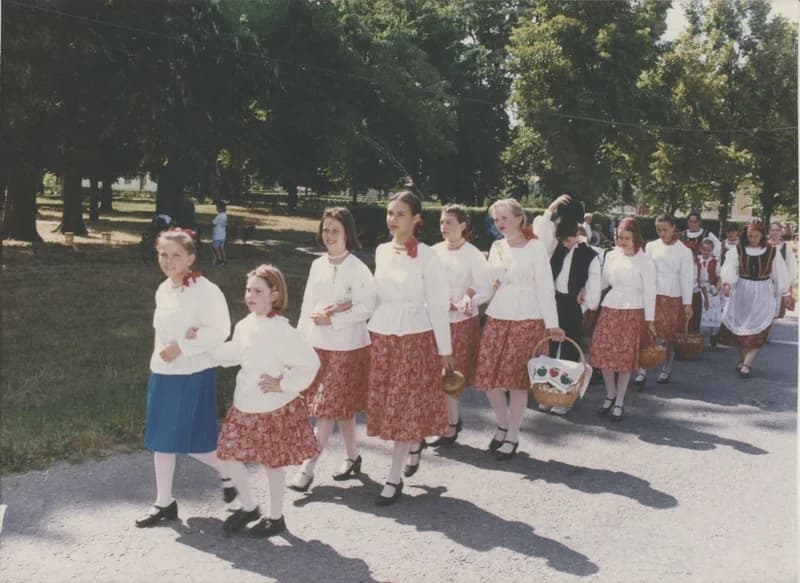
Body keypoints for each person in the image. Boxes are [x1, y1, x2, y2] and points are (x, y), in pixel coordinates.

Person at [213, 264, 321, 537]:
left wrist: (283, 384)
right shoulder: (245, 324)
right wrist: (206, 350)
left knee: (272, 464)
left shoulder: (282, 330)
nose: (250, 295)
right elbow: (235, 352)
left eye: (258, 291)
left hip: (271, 408)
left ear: (274, 294)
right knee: (228, 455)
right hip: (244, 405)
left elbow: (310, 363)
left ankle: (276, 517)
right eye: (248, 289)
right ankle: (249, 506)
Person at [135, 229, 232, 528]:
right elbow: (162, 333)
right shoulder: (163, 289)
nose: (169, 261)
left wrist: (184, 344)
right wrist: (165, 354)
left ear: (190, 257)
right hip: (164, 374)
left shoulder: (205, 290)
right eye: (163, 254)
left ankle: (235, 476)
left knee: (194, 443)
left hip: (192, 373)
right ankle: (164, 502)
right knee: (161, 440)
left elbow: (220, 329)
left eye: (176, 255)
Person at [366, 190, 454, 505]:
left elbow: (439, 306)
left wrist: (445, 350)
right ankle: (414, 442)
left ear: (416, 219)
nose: (393, 220)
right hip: (383, 336)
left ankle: (393, 477)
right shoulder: (380, 251)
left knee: (403, 404)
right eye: (390, 213)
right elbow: (374, 296)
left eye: (400, 214)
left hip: (414, 337)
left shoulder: (429, 256)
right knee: (390, 403)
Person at [289, 208, 376, 492]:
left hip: (347, 347)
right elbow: (306, 306)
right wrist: (299, 345)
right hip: (318, 346)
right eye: (325, 230)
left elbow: (366, 307)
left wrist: (334, 319)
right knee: (342, 409)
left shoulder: (358, 268)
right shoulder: (318, 265)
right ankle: (353, 458)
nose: (329, 235)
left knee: (326, 409)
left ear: (347, 233)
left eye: (335, 230)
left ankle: (307, 467)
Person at [474, 198, 564, 459]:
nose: (499, 223)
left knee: (517, 381)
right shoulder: (497, 246)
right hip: (498, 315)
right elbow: (490, 284)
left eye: (504, 218)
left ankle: (513, 434)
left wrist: (552, 324)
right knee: (488, 376)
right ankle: (502, 423)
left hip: (529, 317)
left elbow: (545, 288)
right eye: (496, 219)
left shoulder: (535, 247)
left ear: (519, 218)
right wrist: (468, 303)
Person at [429, 204, 492, 445]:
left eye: (450, 223)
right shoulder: (433, 251)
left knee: (451, 374)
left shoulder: (472, 254)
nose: (444, 227)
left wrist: (468, 300)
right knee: (435, 373)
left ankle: (451, 425)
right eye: (442, 222)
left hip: (461, 322)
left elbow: (484, 287)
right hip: (436, 320)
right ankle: (447, 421)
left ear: (463, 226)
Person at [590, 218, 657, 422]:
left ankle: (619, 400)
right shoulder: (611, 255)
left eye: (627, 238)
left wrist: (650, 319)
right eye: (620, 238)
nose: (623, 242)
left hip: (633, 310)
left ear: (635, 237)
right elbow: (603, 281)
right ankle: (610, 394)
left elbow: (650, 292)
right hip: (611, 308)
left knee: (624, 359)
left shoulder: (644, 260)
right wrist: (587, 292)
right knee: (604, 354)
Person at [541, 219, 600, 414]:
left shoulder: (589, 254)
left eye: (567, 240)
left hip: (573, 305)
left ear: (576, 235)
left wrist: (585, 304)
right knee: (550, 347)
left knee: (569, 349)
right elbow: (542, 229)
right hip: (554, 302)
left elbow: (594, 282)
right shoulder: (556, 249)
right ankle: (547, 391)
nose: (564, 244)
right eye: (562, 240)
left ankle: (564, 395)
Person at [719, 222, 791, 378]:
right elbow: (729, 266)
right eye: (750, 235)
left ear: (762, 236)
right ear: (746, 235)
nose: (753, 239)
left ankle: (747, 364)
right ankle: (743, 359)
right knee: (742, 328)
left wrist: (785, 293)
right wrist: (727, 283)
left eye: (756, 236)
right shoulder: (737, 250)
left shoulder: (772, 252)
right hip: (742, 292)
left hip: (763, 293)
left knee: (759, 330)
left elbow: (780, 273)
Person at [633, 214, 694, 386]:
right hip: (652, 293)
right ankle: (642, 369)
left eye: (665, 229)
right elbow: (643, 268)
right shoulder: (651, 246)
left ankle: (666, 369)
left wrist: (687, 303)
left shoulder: (684, 251)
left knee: (668, 336)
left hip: (672, 296)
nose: (661, 233)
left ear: (674, 228)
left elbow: (687, 278)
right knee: (647, 332)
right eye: (658, 230)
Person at [768, 221, 798, 318]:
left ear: (781, 232)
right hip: (765, 281)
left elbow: (791, 266)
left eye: (777, 230)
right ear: (769, 231)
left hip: (780, 283)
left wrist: (788, 284)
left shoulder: (785, 247)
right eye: (772, 230)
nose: (774, 232)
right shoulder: (764, 245)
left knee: (777, 312)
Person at [698, 239, 722, 345]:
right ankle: (699, 335)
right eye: (704, 250)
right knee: (701, 311)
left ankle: (714, 334)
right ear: (700, 249)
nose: (706, 252)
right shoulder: (697, 261)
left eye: (708, 250)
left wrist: (717, 289)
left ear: (712, 250)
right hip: (700, 289)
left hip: (711, 289)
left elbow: (719, 278)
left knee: (714, 312)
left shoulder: (715, 262)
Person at [212, 201, 228, 266]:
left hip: (217, 235)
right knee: (222, 247)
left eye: (217, 208)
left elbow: (213, 223)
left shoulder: (218, 216)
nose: (216, 209)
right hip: (223, 235)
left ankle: (219, 259)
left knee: (215, 247)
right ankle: (224, 259)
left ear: (220, 208)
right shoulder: (225, 215)